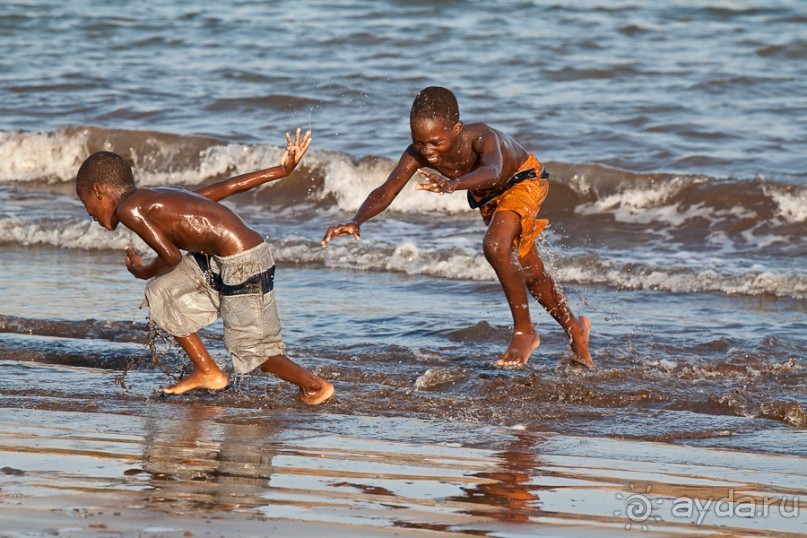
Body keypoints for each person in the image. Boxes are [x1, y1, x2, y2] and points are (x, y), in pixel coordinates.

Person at [322, 87, 593, 368]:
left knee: (495, 246)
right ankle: (576, 331)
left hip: (522, 180)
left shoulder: (481, 137)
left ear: (456, 128)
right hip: (488, 197)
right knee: (531, 271)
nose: (428, 151)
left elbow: (493, 171)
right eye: (419, 142)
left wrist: (454, 184)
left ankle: (525, 332)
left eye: (436, 142)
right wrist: (356, 220)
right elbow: (386, 191)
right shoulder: (419, 152)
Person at [76, 129, 334, 404]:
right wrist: (280, 171)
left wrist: (142, 271)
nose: (88, 211)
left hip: (243, 261)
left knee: (252, 351)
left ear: (99, 190)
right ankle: (207, 370)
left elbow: (171, 257)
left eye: (85, 202)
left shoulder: (130, 209)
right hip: (218, 260)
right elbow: (227, 187)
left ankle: (315, 386)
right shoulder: (156, 197)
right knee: (161, 292)